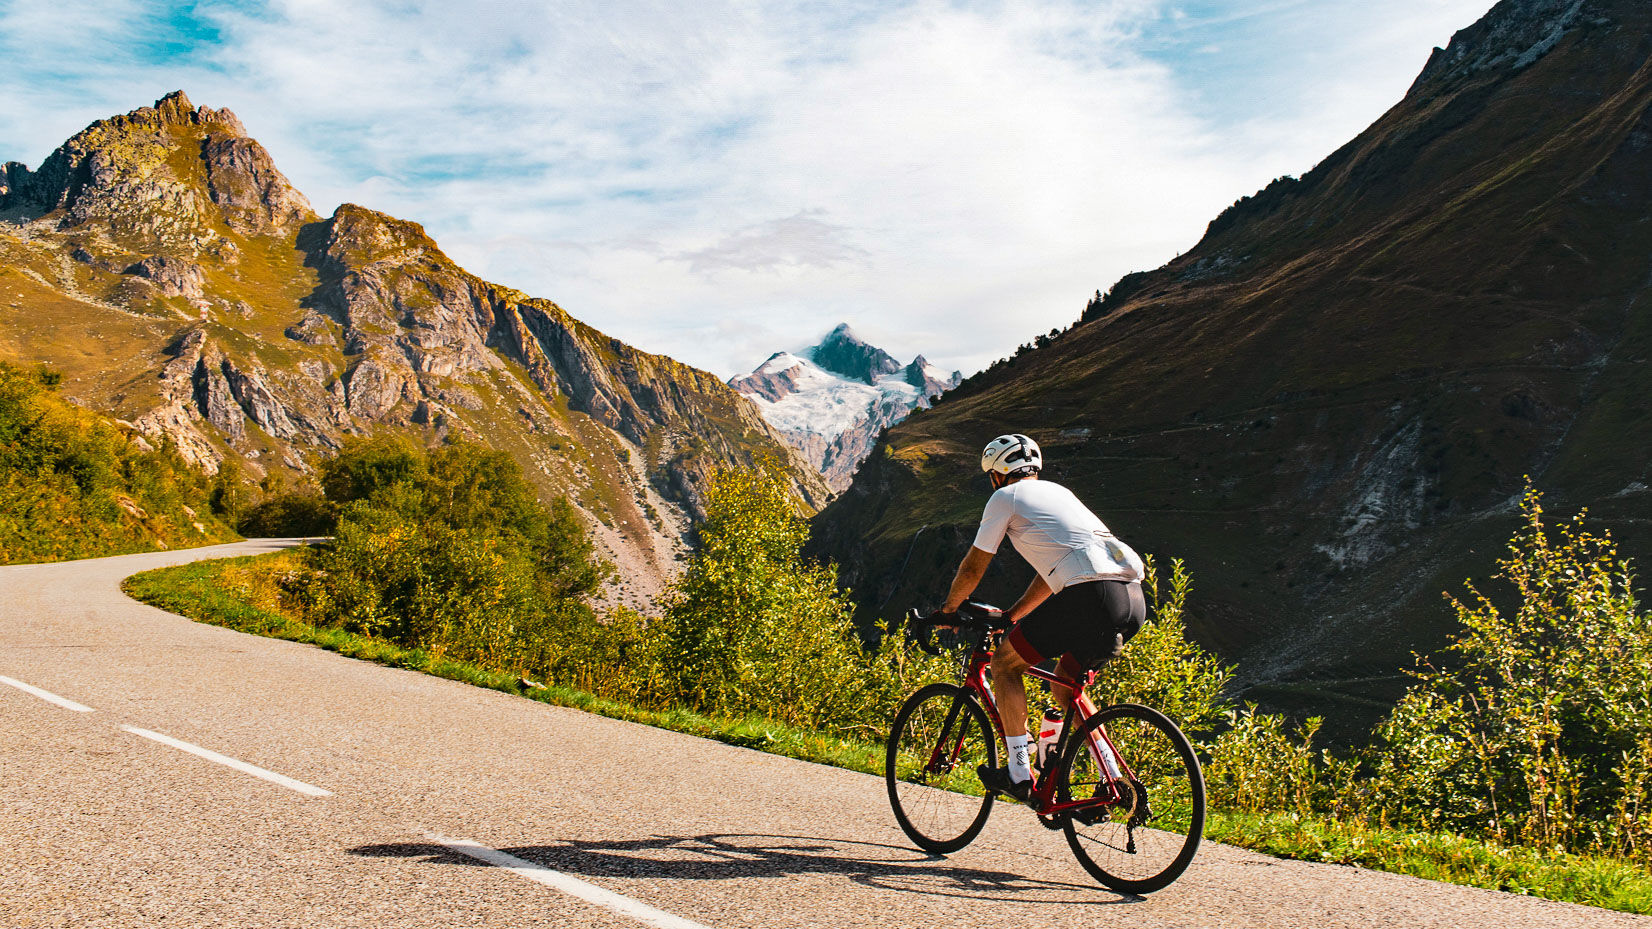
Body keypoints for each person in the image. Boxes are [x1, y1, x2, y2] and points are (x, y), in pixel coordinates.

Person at [936, 433, 1146, 802]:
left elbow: (974, 565)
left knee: (1004, 663)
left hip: (1089, 595)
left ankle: (1019, 772)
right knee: (1065, 683)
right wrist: (1013, 615)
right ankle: (1114, 780)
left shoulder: (1005, 497)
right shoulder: (1059, 495)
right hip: (1130, 598)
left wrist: (950, 609)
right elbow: (1050, 575)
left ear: (998, 474)